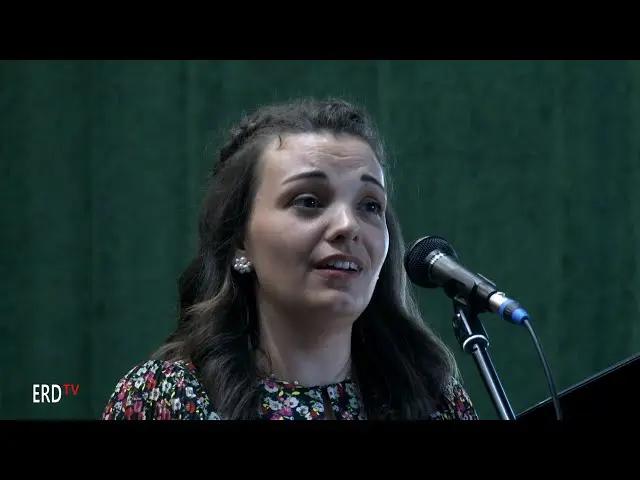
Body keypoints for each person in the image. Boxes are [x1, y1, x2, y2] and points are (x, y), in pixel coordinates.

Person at [101, 97, 479, 420]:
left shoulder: (434, 400)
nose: (348, 226)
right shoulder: (166, 399)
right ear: (239, 241)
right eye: (309, 202)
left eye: (369, 205)